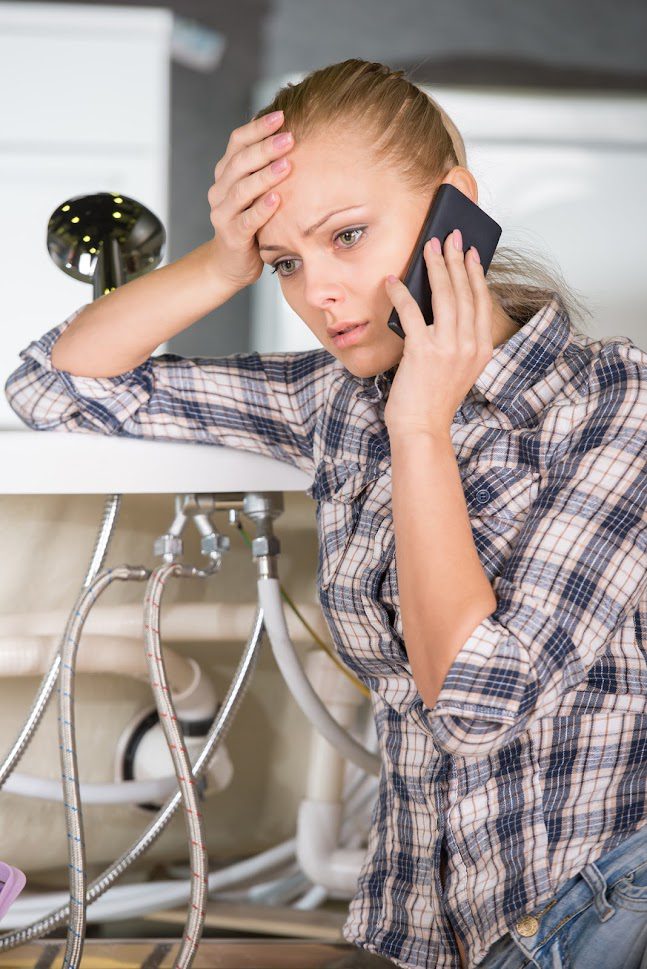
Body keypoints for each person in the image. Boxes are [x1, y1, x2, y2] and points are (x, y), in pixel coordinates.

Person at [5, 58, 647, 969]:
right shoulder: (337, 402)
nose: (320, 295)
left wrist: (419, 426)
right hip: (422, 928)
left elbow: (475, 701)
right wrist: (222, 260)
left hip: (595, 915)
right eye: (287, 264)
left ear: (453, 208)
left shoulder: (615, 402)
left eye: (347, 235)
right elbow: (54, 385)